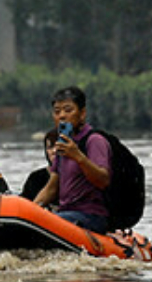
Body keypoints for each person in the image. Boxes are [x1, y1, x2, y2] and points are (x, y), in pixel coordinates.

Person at [33, 86, 111, 233]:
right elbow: (51, 188)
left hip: (91, 215)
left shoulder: (94, 141)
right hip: (66, 213)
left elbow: (103, 180)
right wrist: (30, 210)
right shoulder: (63, 144)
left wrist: (78, 156)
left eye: (68, 110)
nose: (62, 116)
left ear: (82, 114)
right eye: (57, 112)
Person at [20, 129, 59, 202]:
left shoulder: (75, 178)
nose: (54, 151)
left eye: (57, 147)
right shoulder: (36, 178)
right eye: (50, 147)